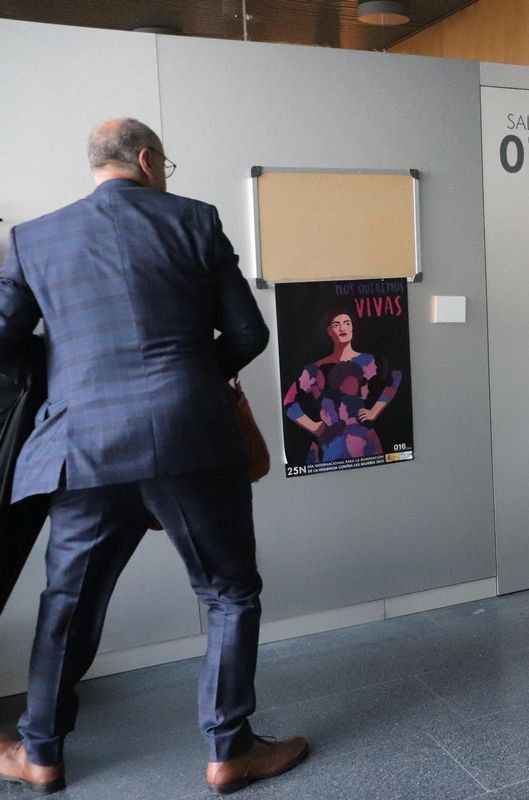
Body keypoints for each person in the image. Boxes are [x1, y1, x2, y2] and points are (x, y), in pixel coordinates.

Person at [0, 118, 306, 795]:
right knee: (229, 593)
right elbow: (249, 332)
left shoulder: (32, 238)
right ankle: (229, 751)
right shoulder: (194, 221)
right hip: (190, 437)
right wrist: (195, 377)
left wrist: (64, 384)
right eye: (166, 163)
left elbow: (3, 341)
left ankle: (40, 752)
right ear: (146, 159)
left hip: (82, 446)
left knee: (67, 603)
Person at [282, 307, 403, 464]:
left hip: (364, 443)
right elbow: (288, 401)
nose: (342, 328)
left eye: (347, 323)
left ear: (352, 327)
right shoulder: (315, 368)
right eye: (336, 324)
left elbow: (396, 377)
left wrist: (375, 410)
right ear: (329, 330)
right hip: (328, 446)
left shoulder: (368, 361)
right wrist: (313, 426)